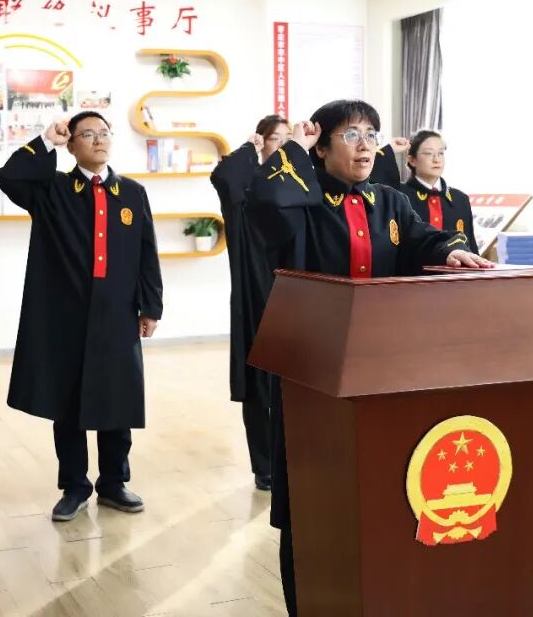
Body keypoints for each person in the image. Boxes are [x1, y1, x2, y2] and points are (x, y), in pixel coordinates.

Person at [245, 100, 491, 616]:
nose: (365, 145)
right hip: (312, 375)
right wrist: (296, 148)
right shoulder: (302, 202)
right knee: (312, 500)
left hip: (381, 373)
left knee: (378, 491)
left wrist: (449, 251)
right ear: (322, 146)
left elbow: (423, 240)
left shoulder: (390, 201)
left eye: (371, 135)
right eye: (350, 134)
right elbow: (264, 198)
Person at [0, 111, 163, 522]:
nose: (99, 140)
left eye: (104, 133)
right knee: (67, 404)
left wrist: (151, 306)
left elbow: (147, 252)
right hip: (65, 317)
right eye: (87, 134)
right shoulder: (52, 189)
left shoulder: (132, 193)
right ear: (71, 145)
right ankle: (74, 486)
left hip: (118, 315)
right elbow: (9, 177)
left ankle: (113, 482)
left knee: (117, 400)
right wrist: (44, 141)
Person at [210, 114, 291, 491]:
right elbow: (223, 177)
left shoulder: (300, 187)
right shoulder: (245, 188)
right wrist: (249, 148)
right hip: (256, 296)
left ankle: (297, 460)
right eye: (276, 139)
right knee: (259, 386)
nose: (283, 146)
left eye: (289, 140)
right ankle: (265, 466)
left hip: (298, 299)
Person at [389, 129, 479, 255]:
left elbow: (471, 247)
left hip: (454, 268)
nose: (437, 159)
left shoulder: (460, 199)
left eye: (441, 153)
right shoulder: (398, 194)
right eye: (428, 153)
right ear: (412, 160)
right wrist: (388, 150)